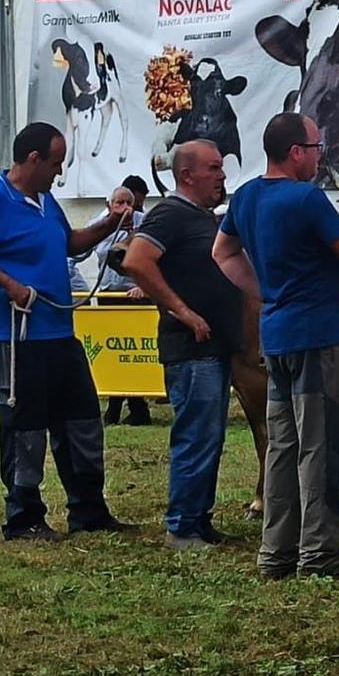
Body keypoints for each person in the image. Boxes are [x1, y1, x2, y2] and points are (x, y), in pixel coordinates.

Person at [0, 123, 133, 541]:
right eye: (55, 163)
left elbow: (70, 243)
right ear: (32, 159)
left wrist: (109, 223)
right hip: (17, 335)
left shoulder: (45, 202)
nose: (58, 173)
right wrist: (7, 282)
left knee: (81, 419)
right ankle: (23, 516)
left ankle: (88, 510)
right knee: (24, 426)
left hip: (58, 331)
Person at [214, 112, 339, 580]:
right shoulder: (307, 199)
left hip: (277, 336)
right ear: (295, 153)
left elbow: (221, 254)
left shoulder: (245, 197)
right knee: (322, 446)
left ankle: (276, 552)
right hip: (318, 339)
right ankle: (321, 552)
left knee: (283, 447)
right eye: (316, 148)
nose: (319, 156)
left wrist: (265, 291)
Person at [119, 141, 242, 551]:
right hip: (191, 350)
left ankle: (197, 520)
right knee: (195, 436)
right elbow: (136, 260)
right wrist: (181, 312)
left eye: (221, 168)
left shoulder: (201, 217)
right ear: (187, 175)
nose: (222, 176)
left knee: (209, 437)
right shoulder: (171, 214)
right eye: (213, 168)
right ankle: (182, 527)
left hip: (212, 347)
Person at [93, 181, 152, 427]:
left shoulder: (145, 221)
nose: (125, 208)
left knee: (132, 353)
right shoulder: (99, 223)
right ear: (109, 205)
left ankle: (133, 408)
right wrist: (114, 230)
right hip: (109, 295)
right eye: (119, 203)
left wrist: (146, 287)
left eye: (129, 202)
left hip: (136, 296)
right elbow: (97, 253)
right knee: (114, 353)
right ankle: (122, 407)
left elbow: (153, 257)